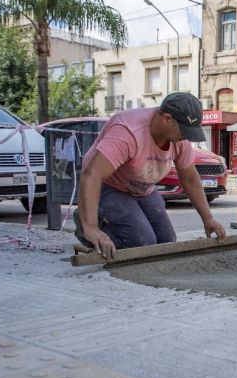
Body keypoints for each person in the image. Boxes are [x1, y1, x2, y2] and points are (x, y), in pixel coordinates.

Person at [76, 92, 226, 259]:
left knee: (166, 242)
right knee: (143, 242)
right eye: (184, 130)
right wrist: (91, 227)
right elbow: (91, 175)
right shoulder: (128, 132)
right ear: (167, 119)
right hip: (109, 186)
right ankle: (87, 224)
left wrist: (208, 218)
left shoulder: (179, 141)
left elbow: (190, 178)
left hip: (142, 187)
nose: (186, 137)